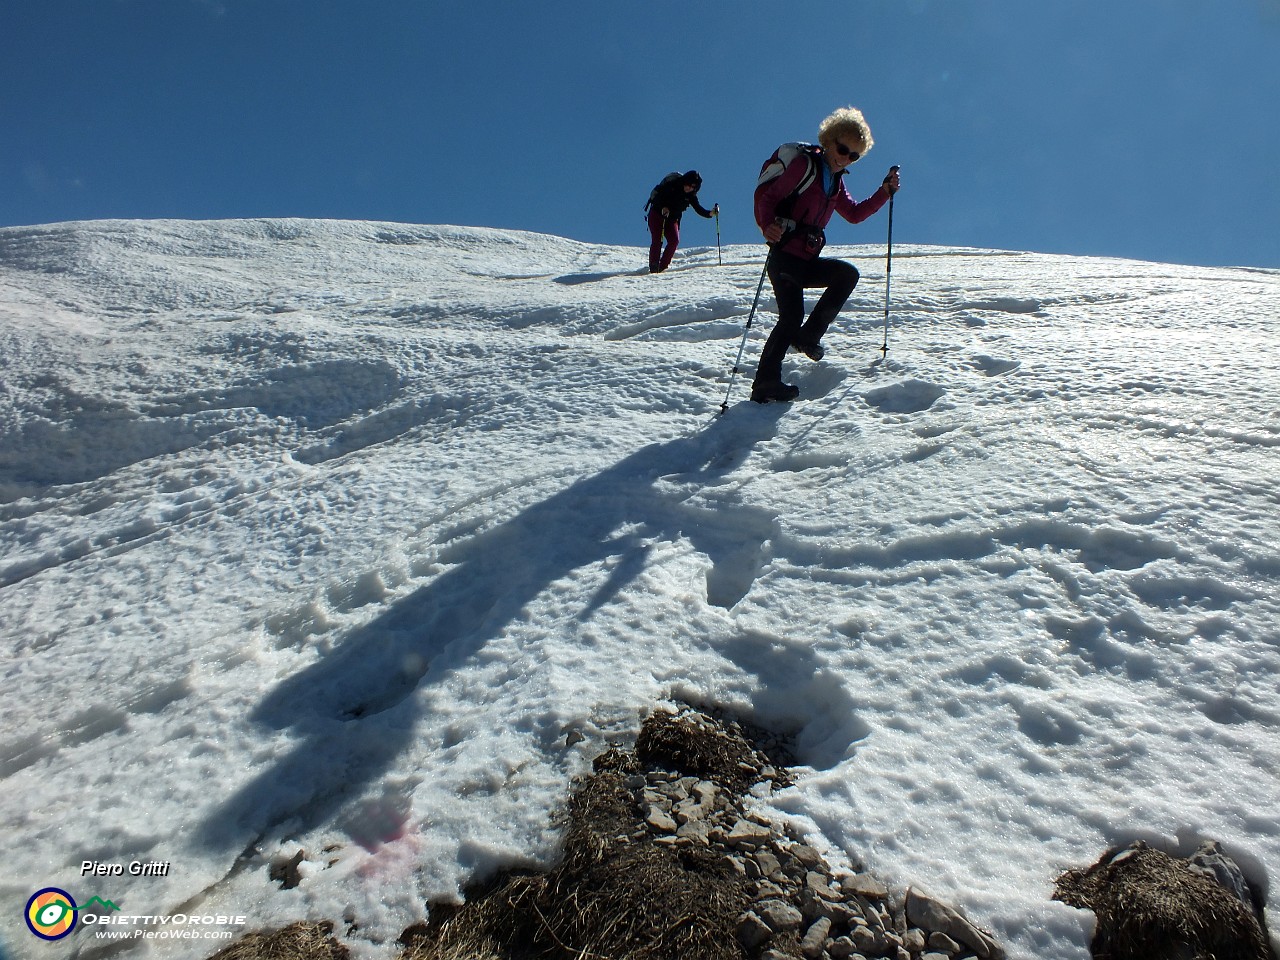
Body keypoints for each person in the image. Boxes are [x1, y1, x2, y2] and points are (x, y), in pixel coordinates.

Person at [750, 107, 901, 403]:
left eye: (854, 155)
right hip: (785, 256)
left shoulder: (836, 182)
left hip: (806, 259)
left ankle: (808, 338)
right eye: (843, 149)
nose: (845, 157)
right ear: (829, 140)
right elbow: (770, 197)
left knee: (846, 274)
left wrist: (884, 192)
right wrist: (767, 225)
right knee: (791, 316)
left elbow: (854, 214)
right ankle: (765, 382)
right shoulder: (805, 166)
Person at [645, 170, 717, 273]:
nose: (689, 188)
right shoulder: (672, 185)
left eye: (693, 187)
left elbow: (698, 209)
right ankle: (654, 265)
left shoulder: (691, 196)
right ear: (685, 181)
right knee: (657, 240)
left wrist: (710, 213)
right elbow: (657, 198)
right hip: (657, 215)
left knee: (674, 240)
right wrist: (663, 207)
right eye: (689, 185)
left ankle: (662, 267)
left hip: (672, 219)